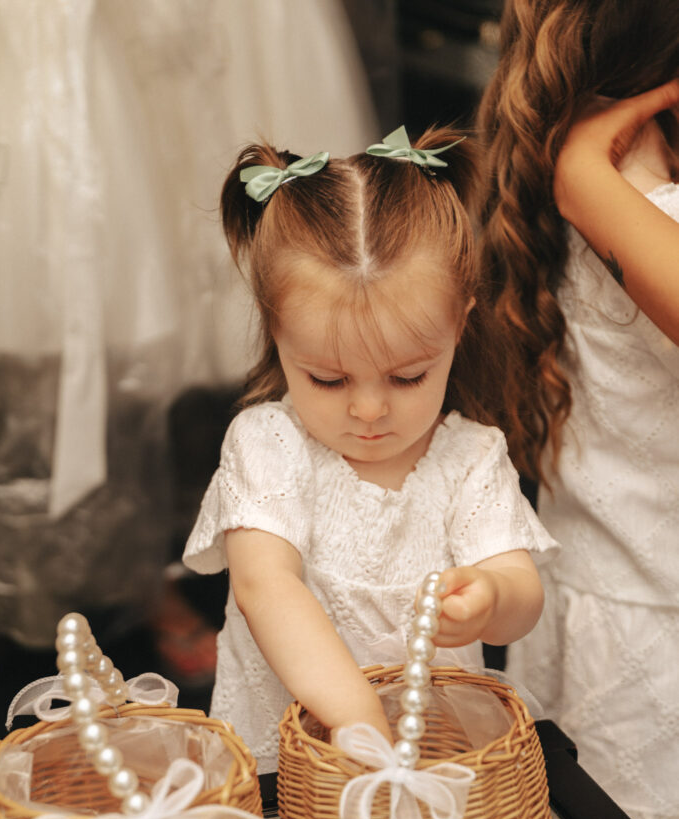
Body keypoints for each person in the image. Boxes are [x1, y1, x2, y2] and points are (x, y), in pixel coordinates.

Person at [183, 127, 557, 773]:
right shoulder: (269, 444)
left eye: (408, 376)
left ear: (461, 323)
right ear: (276, 335)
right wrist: (358, 720)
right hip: (292, 757)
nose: (369, 410)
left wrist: (491, 597)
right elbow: (264, 584)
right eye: (327, 379)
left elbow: (520, 595)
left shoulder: (470, 457)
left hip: (431, 749)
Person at [476, 0, 679, 819]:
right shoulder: (637, 199)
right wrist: (588, 174)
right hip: (650, 652)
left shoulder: (592, 174)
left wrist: (588, 166)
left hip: (604, 607)